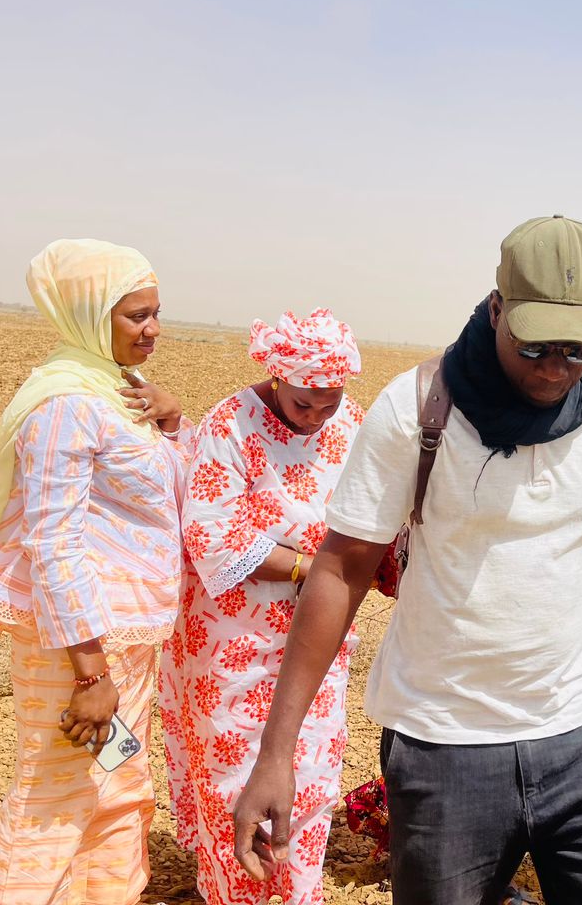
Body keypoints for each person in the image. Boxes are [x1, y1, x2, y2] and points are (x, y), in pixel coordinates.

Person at [233, 214, 582, 905]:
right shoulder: (420, 409)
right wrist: (276, 753)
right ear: (497, 309)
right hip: (444, 744)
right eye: (535, 348)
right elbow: (342, 567)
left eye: (578, 349)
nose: (557, 369)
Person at [0, 239, 189, 905]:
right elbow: (53, 544)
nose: (153, 330)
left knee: (116, 785)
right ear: (89, 315)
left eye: (155, 313)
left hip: (129, 637)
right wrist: (91, 675)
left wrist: (171, 424)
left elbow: (158, 501)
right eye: (135, 316)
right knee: (55, 799)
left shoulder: (120, 390)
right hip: (80, 648)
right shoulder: (64, 405)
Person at [158, 308, 365, 905]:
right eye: (306, 403)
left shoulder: (348, 423)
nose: (318, 416)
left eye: (331, 400)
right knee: (237, 775)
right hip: (234, 639)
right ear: (277, 376)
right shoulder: (231, 424)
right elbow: (211, 535)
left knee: (311, 766)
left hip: (319, 630)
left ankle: (298, 893)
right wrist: (311, 568)